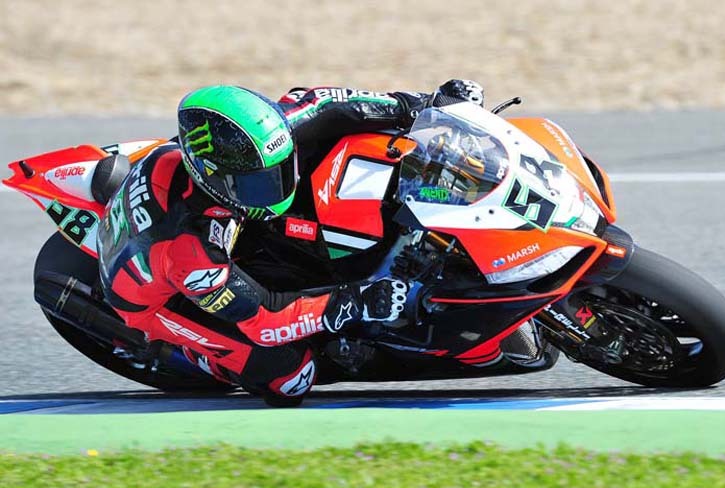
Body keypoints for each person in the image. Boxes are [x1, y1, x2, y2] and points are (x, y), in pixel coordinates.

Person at [96, 80, 484, 406]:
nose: (277, 187)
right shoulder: (191, 251)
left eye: (281, 168)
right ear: (212, 177)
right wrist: (352, 302)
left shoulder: (273, 131)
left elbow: (341, 105)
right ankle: (201, 357)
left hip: (197, 212)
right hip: (158, 299)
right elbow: (265, 319)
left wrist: (429, 106)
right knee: (290, 376)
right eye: (258, 183)